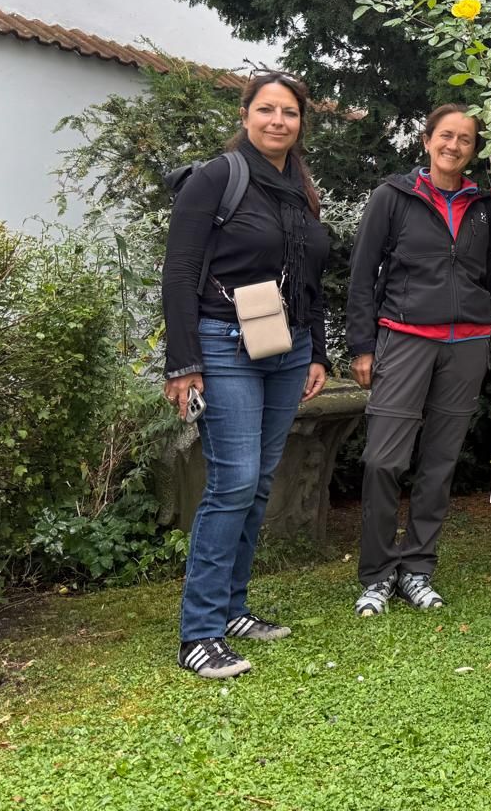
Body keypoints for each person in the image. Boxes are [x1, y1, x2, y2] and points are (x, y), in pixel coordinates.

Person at [163, 71, 332, 680]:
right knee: (232, 483)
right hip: (224, 343)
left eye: (289, 112)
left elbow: (308, 277)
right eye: (267, 110)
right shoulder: (217, 178)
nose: (278, 121)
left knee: (258, 482)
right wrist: (183, 362)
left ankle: (233, 608)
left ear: (300, 122)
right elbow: (179, 272)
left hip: (287, 351)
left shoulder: (301, 190)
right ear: (245, 113)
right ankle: (199, 632)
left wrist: (316, 352)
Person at [345, 104, 491, 617]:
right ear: (427, 140)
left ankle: (417, 569)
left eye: (465, 140)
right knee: (384, 460)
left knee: (439, 464)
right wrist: (361, 346)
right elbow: (361, 275)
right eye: (446, 136)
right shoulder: (394, 196)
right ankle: (378, 576)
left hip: (466, 343)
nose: (454, 146)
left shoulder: (484, 205)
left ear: (474, 150)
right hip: (403, 339)